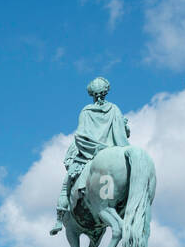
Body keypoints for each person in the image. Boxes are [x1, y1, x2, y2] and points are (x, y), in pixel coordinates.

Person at [50, 77, 130, 235]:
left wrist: (96, 147)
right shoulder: (114, 108)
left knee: (66, 184)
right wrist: (124, 126)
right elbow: (122, 134)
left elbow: (80, 135)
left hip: (90, 154)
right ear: (105, 92)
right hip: (114, 152)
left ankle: (59, 220)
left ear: (92, 94)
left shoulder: (87, 111)